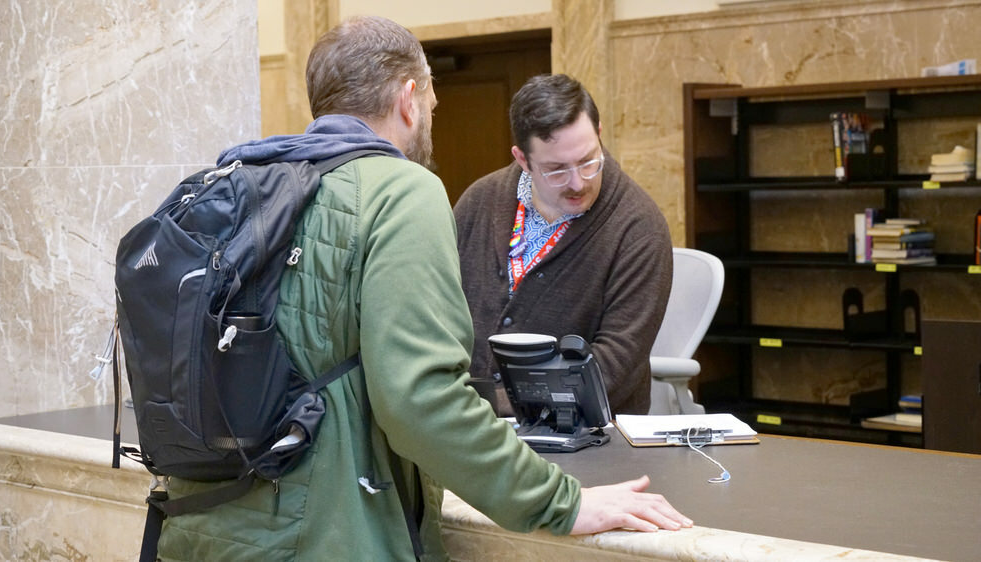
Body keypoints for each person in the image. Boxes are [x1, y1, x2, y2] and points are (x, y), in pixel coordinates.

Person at [157, 17, 690, 561]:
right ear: (410, 98)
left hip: (205, 522)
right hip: (324, 530)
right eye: (433, 98)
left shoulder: (239, 184)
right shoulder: (401, 191)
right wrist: (559, 502)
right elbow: (420, 399)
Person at [455, 74, 673, 417]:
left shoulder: (639, 228)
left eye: (588, 160)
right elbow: (440, 309)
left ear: (599, 135)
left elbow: (616, 365)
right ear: (522, 160)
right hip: (473, 432)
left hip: (588, 438)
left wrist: (494, 404)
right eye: (556, 170)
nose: (578, 183)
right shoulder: (479, 202)